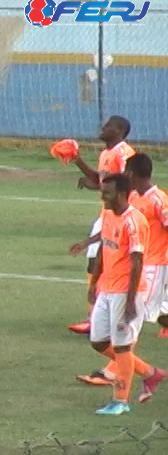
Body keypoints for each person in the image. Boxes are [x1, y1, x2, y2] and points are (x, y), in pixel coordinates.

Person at [71, 154, 168, 394]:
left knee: (136, 319)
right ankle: (133, 370)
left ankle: (116, 373)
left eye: (126, 171)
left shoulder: (159, 199)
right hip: (137, 267)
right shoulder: (131, 197)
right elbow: (113, 225)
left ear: (132, 173)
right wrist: (87, 242)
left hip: (155, 265)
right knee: (145, 319)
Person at [85, 173, 162, 415]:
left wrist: (131, 301)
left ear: (120, 194)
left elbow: (137, 261)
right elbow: (103, 250)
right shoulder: (108, 214)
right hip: (107, 289)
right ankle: (150, 373)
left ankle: (120, 401)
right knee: (98, 341)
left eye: (106, 192)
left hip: (127, 292)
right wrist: (93, 283)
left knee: (122, 347)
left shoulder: (134, 221)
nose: (102, 196)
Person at [68, 116, 135, 335]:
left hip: (121, 214)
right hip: (106, 214)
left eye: (109, 126)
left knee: (105, 262)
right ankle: (96, 317)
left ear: (120, 130)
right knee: (95, 261)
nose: (103, 128)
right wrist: (76, 160)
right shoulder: (106, 153)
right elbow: (102, 180)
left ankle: (97, 317)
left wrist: (97, 187)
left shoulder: (124, 153)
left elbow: (126, 184)